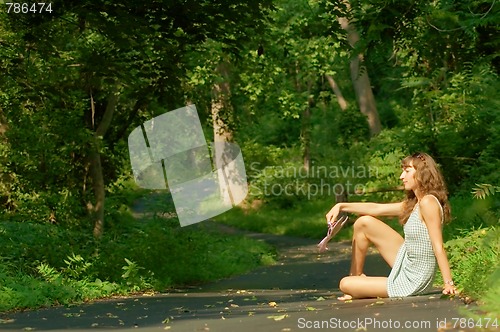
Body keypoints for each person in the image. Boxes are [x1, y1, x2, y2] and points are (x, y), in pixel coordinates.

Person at [325, 152, 458, 300]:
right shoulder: (415, 204)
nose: (402, 176)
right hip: (407, 261)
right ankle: (357, 278)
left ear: (422, 173)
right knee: (364, 222)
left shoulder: (428, 203)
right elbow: (376, 209)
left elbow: (438, 245)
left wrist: (448, 283)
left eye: (407, 171)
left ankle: (355, 286)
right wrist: (341, 206)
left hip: (414, 279)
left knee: (345, 284)